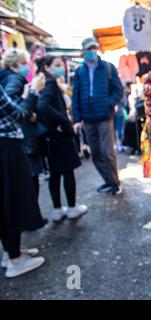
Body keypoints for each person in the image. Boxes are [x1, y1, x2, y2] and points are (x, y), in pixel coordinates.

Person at [0, 74, 47, 278]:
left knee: (6, 201)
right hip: (7, 148)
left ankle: (11, 252)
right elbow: (21, 114)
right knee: (13, 201)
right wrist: (34, 91)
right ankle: (15, 260)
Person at [36, 55, 88, 222]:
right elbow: (43, 106)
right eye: (57, 65)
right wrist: (63, 120)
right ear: (47, 67)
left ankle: (58, 209)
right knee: (67, 172)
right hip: (59, 137)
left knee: (55, 174)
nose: (61, 68)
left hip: (52, 137)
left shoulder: (45, 83)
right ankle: (72, 208)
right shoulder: (50, 84)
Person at [72, 38, 124, 195]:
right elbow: (76, 96)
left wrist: (109, 103)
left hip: (104, 117)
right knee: (95, 153)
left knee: (107, 152)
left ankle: (115, 183)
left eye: (94, 47)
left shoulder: (108, 67)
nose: (92, 51)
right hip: (88, 119)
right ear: (83, 51)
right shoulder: (79, 72)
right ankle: (108, 180)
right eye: (89, 48)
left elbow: (118, 89)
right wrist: (76, 119)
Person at [0, 49, 47, 199]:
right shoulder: (15, 79)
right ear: (15, 65)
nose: (27, 67)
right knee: (30, 179)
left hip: (16, 137)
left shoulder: (7, 77)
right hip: (22, 136)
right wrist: (29, 108)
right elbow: (13, 105)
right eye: (25, 63)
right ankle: (31, 218)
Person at [114, 82, 131, 153]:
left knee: (119, 129)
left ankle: (119, 145)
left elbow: (124, 103)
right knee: (116, 129)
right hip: (113, 113)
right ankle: (117, 145)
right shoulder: (119, 92)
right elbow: (125, 103)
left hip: (119, 113)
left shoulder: (121, 93)